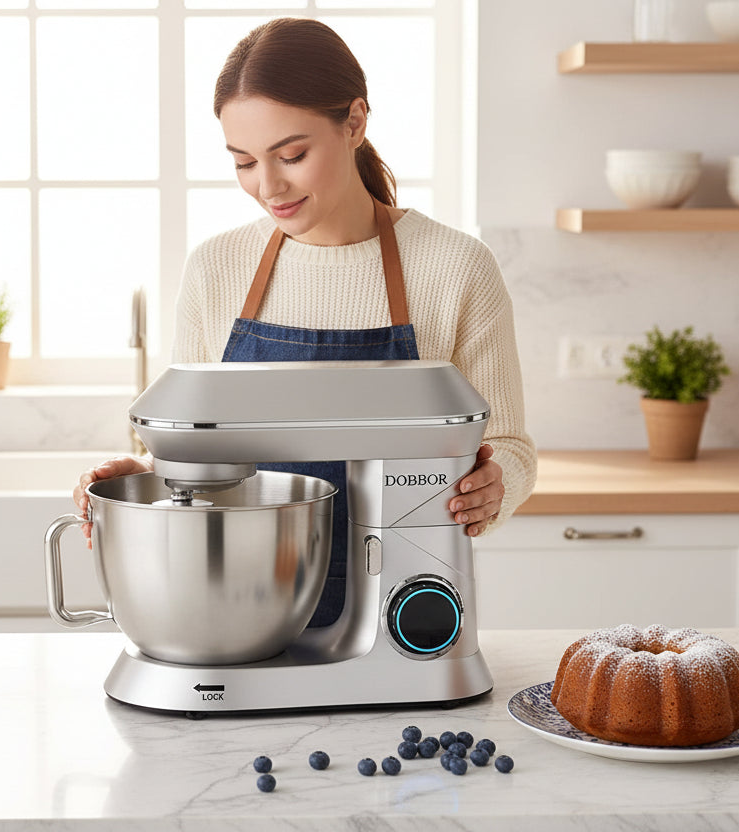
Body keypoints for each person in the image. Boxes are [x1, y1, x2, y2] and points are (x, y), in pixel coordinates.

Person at [73, 17, 536, 628]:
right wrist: (150, 482)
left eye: (292, 155)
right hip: (237, 616)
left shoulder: (456, 267)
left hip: (404, 612)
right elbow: (199, 459)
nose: (269, 187)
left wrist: (495, 487)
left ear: (355, 122)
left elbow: (507, 447)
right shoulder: (217, 269)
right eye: (244, 162)